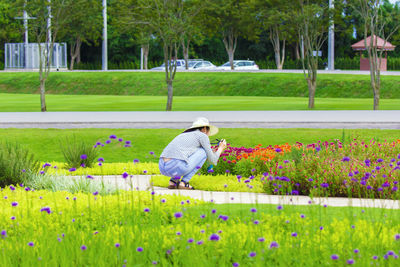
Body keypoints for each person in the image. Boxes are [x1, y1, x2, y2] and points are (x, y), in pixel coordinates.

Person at [159, 117, 227, 190]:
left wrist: (210, 151)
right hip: (176, 167)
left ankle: (173, 181)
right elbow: (213, 160)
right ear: (204, 129)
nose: (209, 134)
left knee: (194, 153)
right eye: (209, 131)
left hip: (162, 166)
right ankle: (184, 182)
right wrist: (220, 148)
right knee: (203, 152)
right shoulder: (202, 135)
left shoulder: (183, 135)